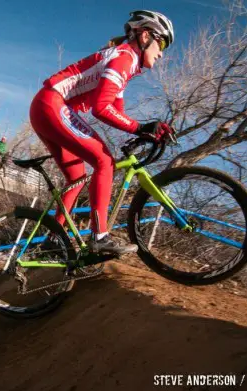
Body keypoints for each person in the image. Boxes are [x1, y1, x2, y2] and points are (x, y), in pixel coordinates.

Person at [29, 10, 176, 254]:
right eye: (161, 44)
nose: (161, 53)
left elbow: (117, 111)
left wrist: (145, 131)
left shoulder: (125, 63)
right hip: (52, 105)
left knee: (77, 177)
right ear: (146, 35)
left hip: (46, 107)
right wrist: (140, 128)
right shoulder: (124, 57)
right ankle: (99, 237)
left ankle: (53, 240)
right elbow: (102, 109)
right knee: (104, 162)